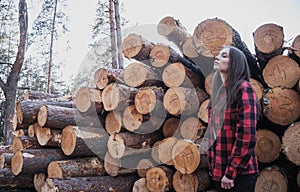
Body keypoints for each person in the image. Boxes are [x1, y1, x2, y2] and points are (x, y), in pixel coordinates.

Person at [206, 46, 260, 192]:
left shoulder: (243, 88)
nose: (217, 57)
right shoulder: (219, 94)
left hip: (239, 175)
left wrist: (231, 173)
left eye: (224, 56)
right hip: (219, 173)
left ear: (235, 62)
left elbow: (247, 134)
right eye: (218, 55)